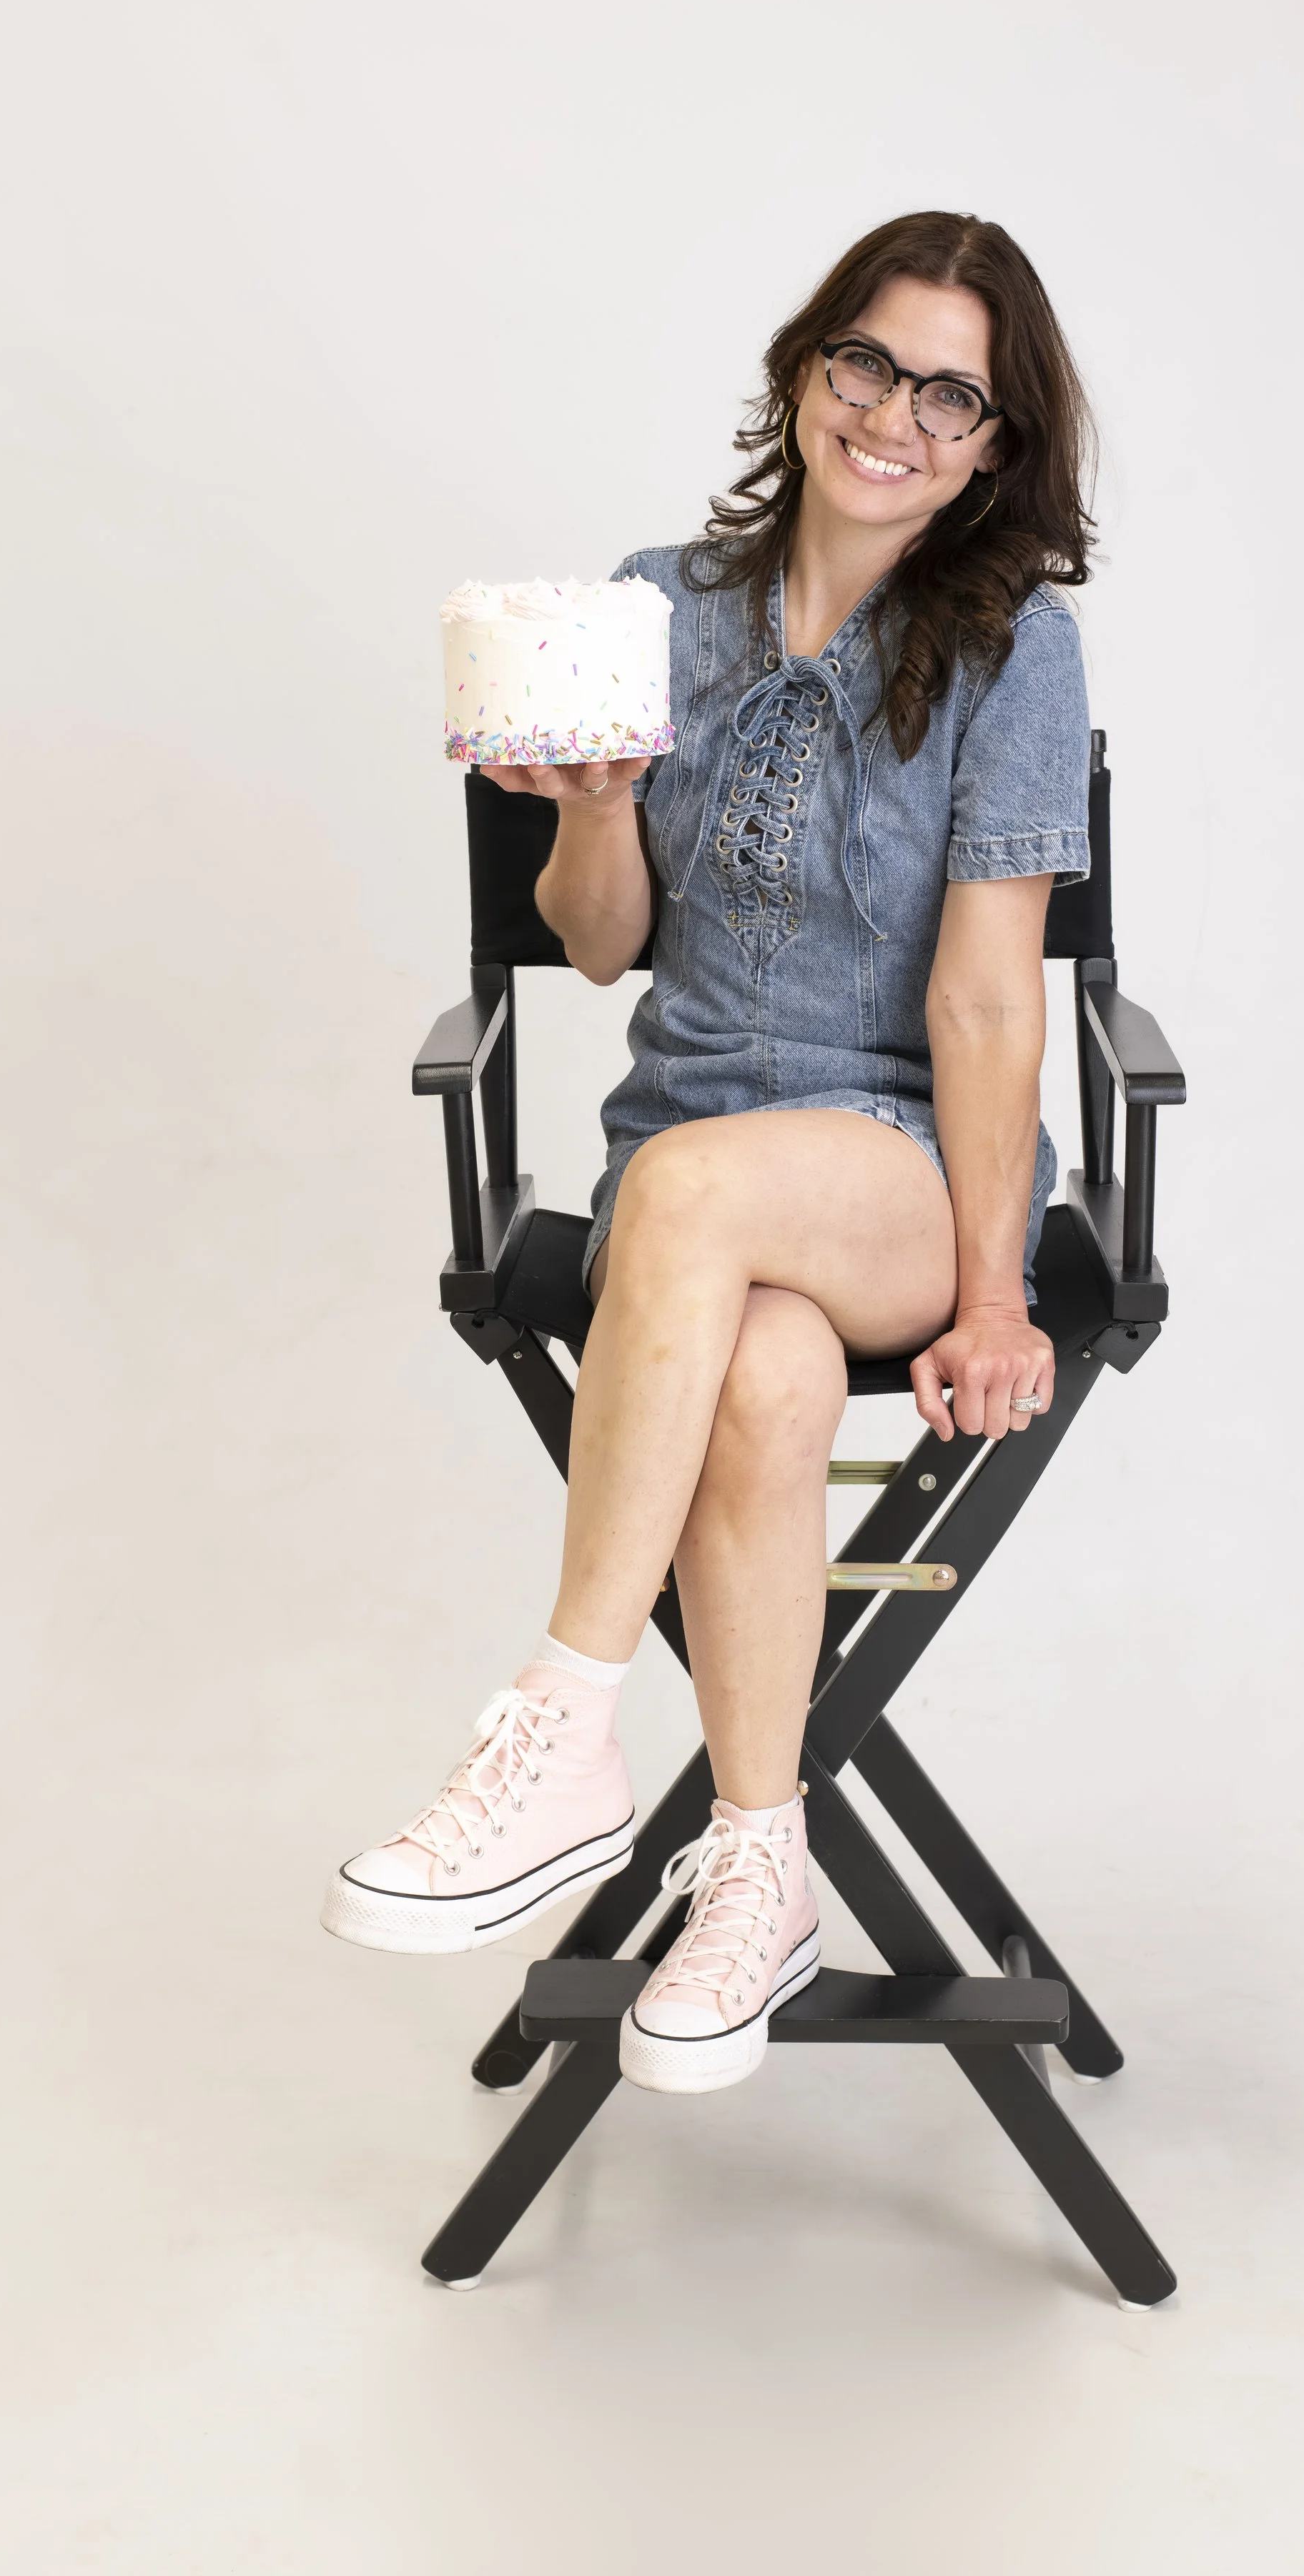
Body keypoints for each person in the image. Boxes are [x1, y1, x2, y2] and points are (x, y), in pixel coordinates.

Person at [323, 210, 1095, 2097]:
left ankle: (559, 1722)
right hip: (705, 1180)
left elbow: (993, 1003)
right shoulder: (653, 604)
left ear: (993, 444)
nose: (894, 416)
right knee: (749, 1358)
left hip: (906, 1174)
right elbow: (599, 941)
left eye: (949, 394)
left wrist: (995, 1290)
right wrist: (593, 801)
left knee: (677, 1193)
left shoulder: (1014, 650)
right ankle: (761, 1863)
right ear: (804, 367)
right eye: (867, 364)